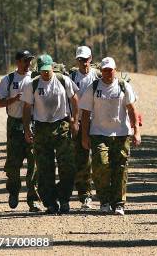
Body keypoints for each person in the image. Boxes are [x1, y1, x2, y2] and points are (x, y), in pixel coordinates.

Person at [79, 56, 141, 215]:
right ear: (101, 71)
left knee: (120, 168)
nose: (107, 73)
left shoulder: (123, 86)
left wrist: (136, 132)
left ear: (115, 70)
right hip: (99, 133)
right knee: (100, 165)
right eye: (104, 70)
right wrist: (84, 137)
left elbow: (132, 110)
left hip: (121, 133)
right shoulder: (93, 87)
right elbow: (85, 114)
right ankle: (104, 200)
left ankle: (119, 203)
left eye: (110, 70)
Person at [22, 54, 79, 214]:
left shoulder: (63, 80)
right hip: (41, 129)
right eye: (42, 71)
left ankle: (64, 199)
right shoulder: (32, 84)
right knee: (44, 169)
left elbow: (74, 99)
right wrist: (27, 129)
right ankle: (50, 203)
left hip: (61, 126)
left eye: (48, 70)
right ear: (39, 70)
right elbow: (27, 108)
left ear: (52, 67)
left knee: (67, 166)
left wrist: (75, 121)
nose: (45, 74)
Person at [0, 50, 42, 212]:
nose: (28, 64)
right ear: (17, 62)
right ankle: (13, 191)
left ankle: (32, 199)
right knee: (13, 164)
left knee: (33, 162)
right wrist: (14, 99)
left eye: (30, 60)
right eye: (25, 60)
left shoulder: (35, 78)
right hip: (14, 125)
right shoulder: (8, 79)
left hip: (33, 124)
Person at [70, 45, 99, 210]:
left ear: (91, 59)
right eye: (80, 60)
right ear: (77, 60)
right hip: (79, 123)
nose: (84, 63)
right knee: (81, 159)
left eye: (86, 59)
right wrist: (72, 121)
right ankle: (85, 195)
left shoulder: (98, 76)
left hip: (98, 123)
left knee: (100, 160)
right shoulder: (71, 77)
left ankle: (104, 193)